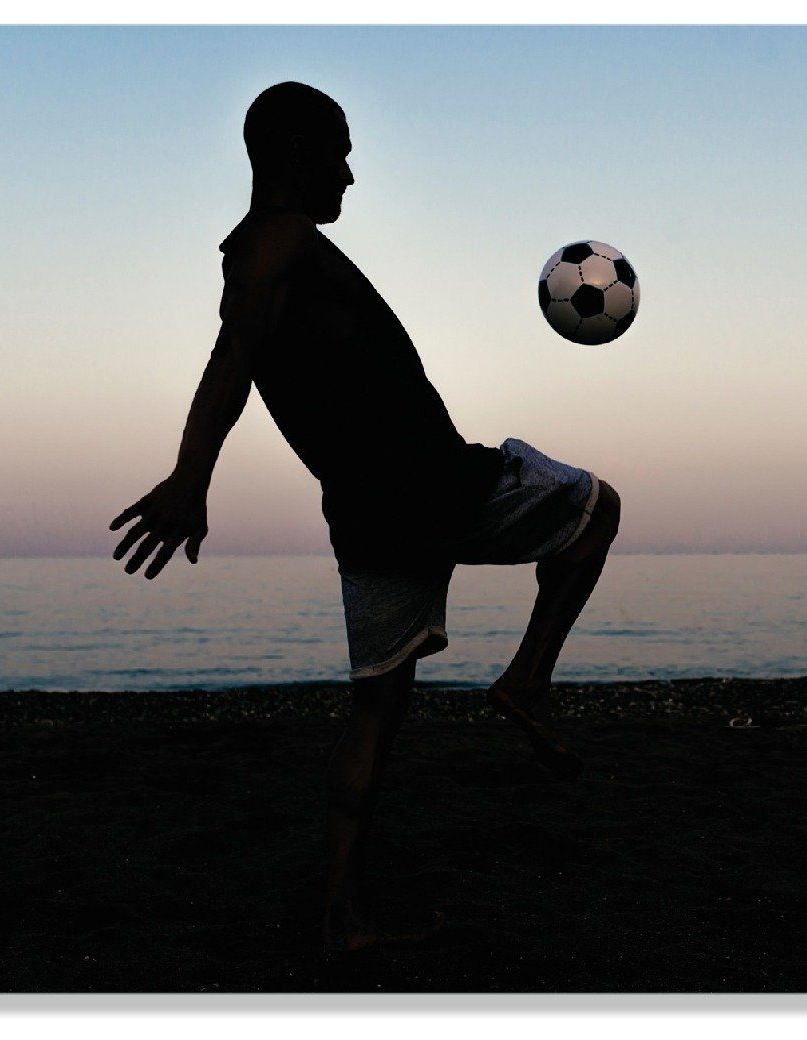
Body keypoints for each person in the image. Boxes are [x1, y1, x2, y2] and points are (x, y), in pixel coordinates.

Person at [109, 82, 621, 954]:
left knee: (377, 713)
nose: (350, 173)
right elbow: (231, 362)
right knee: (595, 509)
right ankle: (528, 681)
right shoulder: (275, 246)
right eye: (341, 152)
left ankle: (341, 911)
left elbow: (237, 350)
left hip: (368, 516)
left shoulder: (262, 252)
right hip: (431, 486)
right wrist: (191, 477)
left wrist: (196, 474)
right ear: (300, 152)